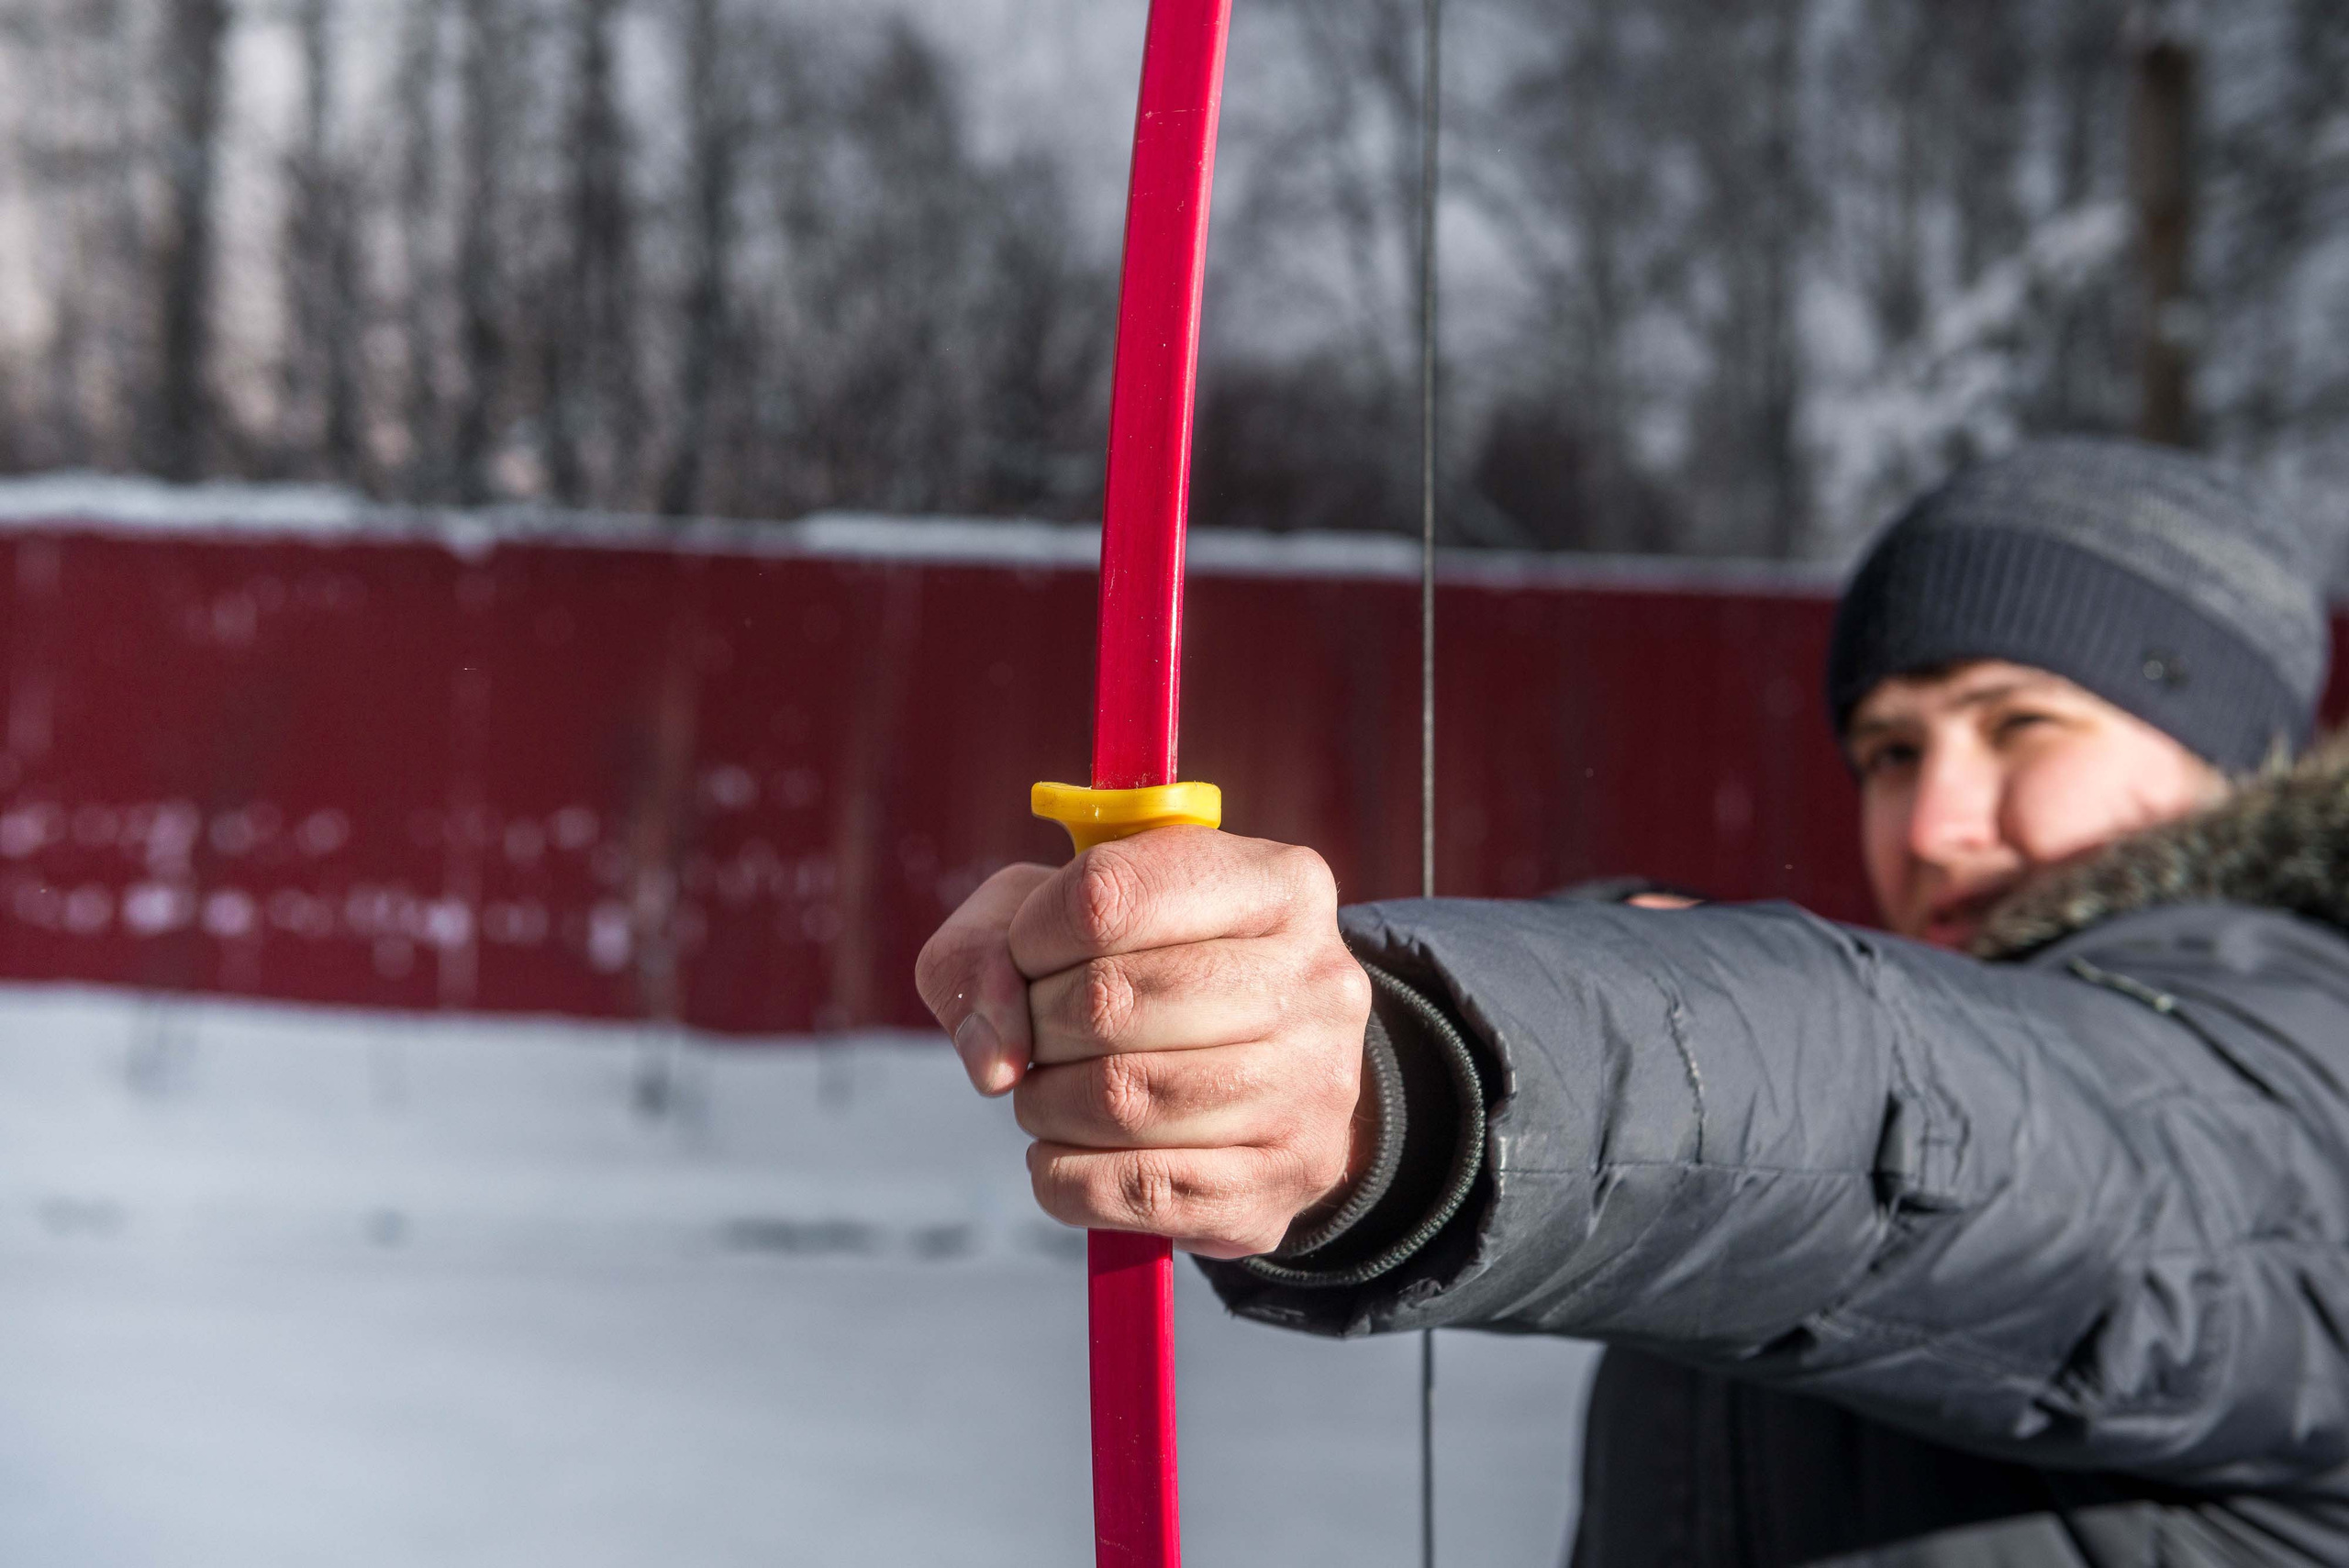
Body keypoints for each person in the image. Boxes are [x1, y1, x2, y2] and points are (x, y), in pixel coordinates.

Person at [915, 437, 2349, 1565]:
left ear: (2227, 762)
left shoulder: (2292, 1079)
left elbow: (1960, 1117)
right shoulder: (1907, 1026)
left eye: (2021, 726)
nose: (1931, 822)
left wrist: (1411, 1077)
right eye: (1892, 752)